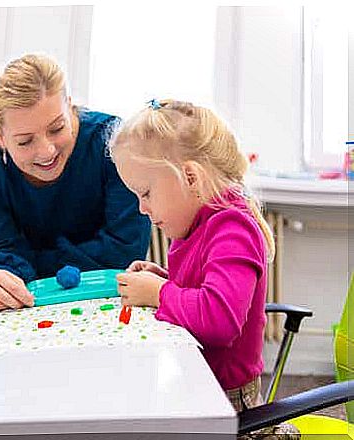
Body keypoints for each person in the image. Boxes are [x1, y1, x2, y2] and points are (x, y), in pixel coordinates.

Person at [110, 99, 299, 438]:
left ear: (191, 177)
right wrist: (164, 280)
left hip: (229, 406)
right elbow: (204, 287)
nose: (141, 208)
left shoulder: (233, 229)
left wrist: (160, 294)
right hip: (197, 382)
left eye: (147, 193)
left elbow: (219, 319)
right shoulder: (197, 222)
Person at [0, 53, 151, 310]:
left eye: (57, 128)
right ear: (0, 134)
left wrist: (29, 262)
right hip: (30, 308)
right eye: (25, 141)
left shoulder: (113, 143)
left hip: (109, 299)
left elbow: (123, 251)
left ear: (70, 107)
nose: (47, 151)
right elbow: (1, 251)